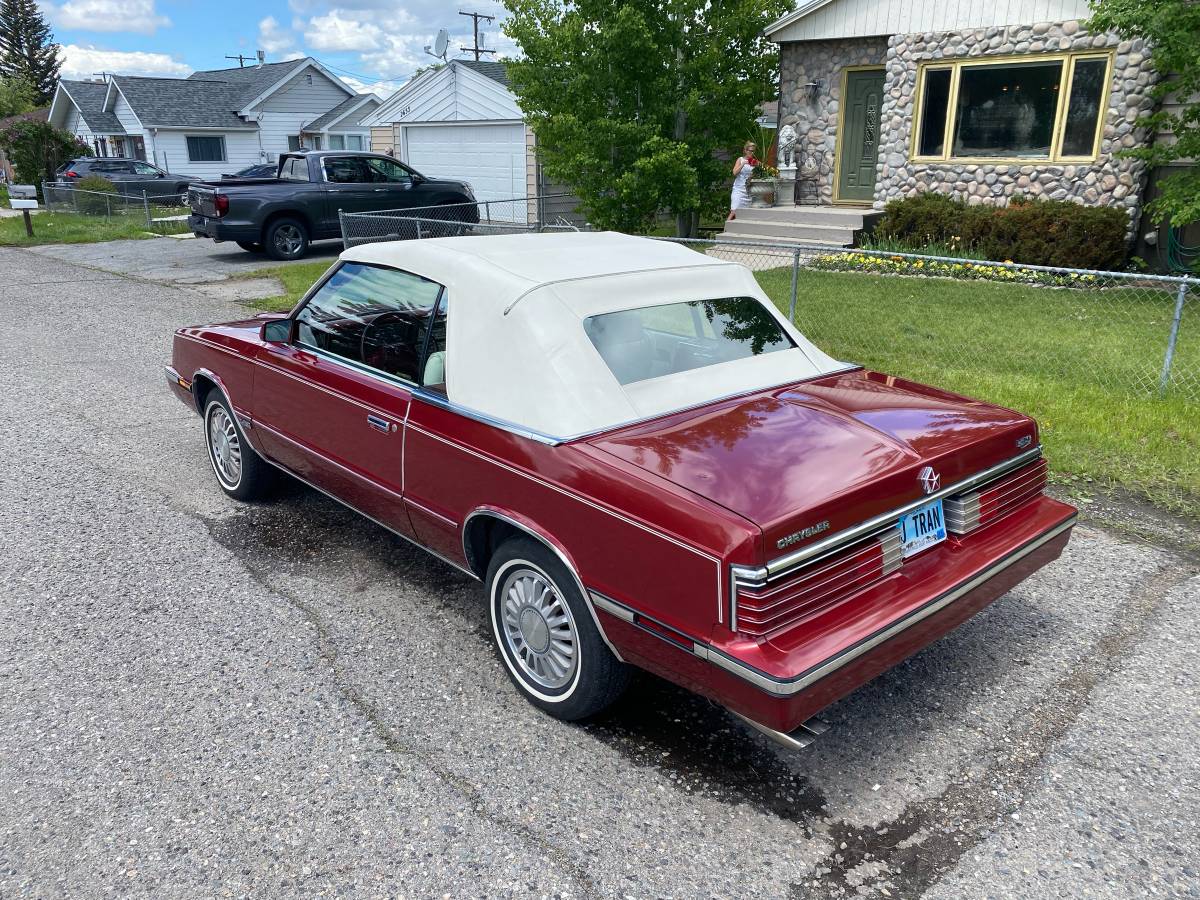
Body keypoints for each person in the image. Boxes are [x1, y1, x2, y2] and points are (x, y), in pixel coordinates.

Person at [728, 141, 758, 221]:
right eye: (750, 150)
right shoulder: (740, 159)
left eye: (753, 151)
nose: (752, 152)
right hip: (738, 190)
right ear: (745, 150)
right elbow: (734, 173)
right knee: (734, 211)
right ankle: (726, 230)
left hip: (748, 191)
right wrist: (743, 164)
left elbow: (758, 174)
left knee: (745, 215)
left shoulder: (754, 162)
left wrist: (754, 174)